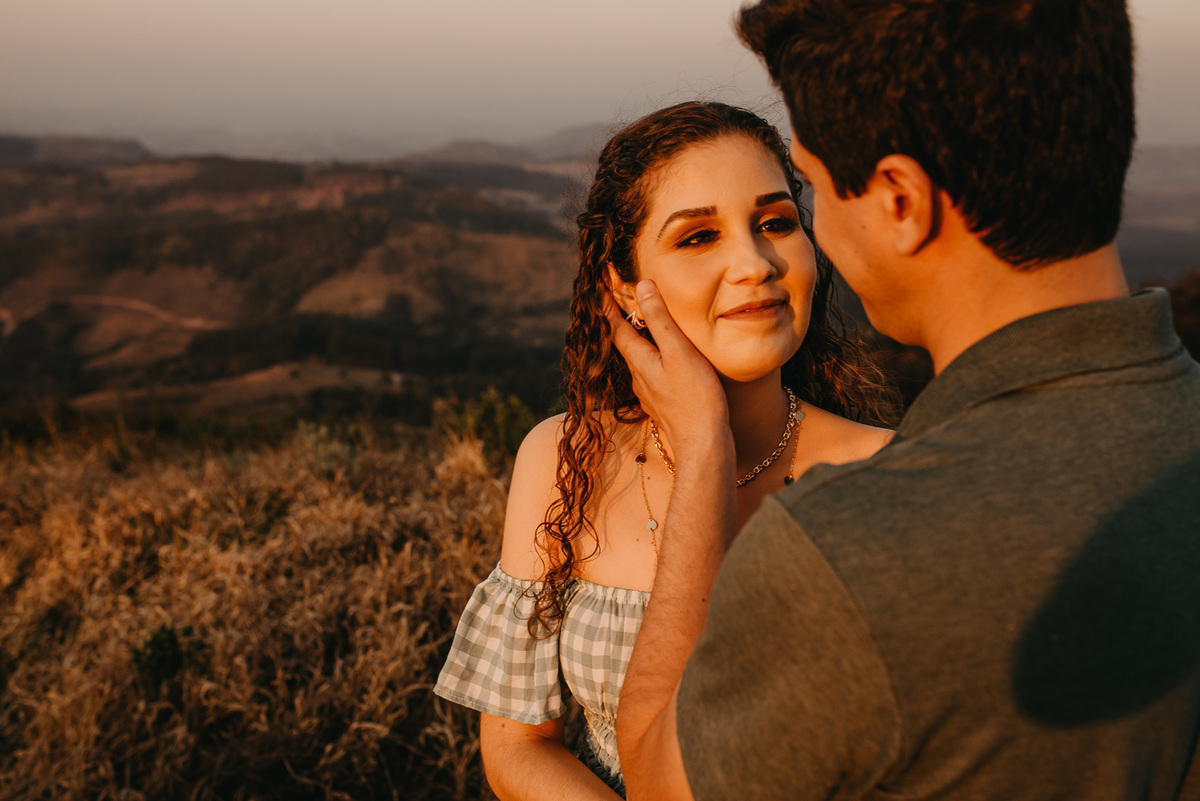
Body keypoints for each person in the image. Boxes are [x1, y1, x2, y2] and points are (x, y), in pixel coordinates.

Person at [613, 1, 1200, 800]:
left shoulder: (848, 550)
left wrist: (702, 443)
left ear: (899, 201)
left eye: (813, 192)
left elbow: (658, 778)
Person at [434, 100, 896, 799]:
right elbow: (516, 747)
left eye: (776, 222)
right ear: (625, 287)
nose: (754, 263)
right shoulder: (564, 458)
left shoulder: (888, 474)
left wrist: (705, 439)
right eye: (699, 237)